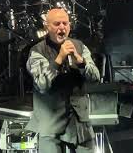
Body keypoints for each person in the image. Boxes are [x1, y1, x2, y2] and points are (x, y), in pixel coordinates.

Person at [26, 8, 100, 153]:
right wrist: (59, 59)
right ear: (47, 27)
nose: (62, 27)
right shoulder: (37, 51)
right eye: (57, 24)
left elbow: (96, 78)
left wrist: (80, 62)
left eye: (65, 23)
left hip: (78, 121)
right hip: (50, 121)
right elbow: (42, 84)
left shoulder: (79, 46)